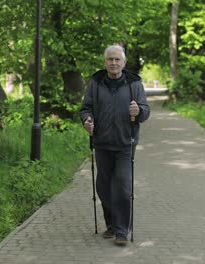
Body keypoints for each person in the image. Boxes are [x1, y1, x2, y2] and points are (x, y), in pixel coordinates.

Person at [80, 45, 150, 246]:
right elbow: (86, 109)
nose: (113, 63)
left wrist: (138, 112)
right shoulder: (96, 82)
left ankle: (121, 230)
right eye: (110, 59)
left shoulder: (133, 83)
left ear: (124, 63)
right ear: (105, 62)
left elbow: (145, 110)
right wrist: (87, 120)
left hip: (125, 144)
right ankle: (111, 224)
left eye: (117, 60)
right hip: (101, 143)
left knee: (123, 186)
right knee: (103, 187)